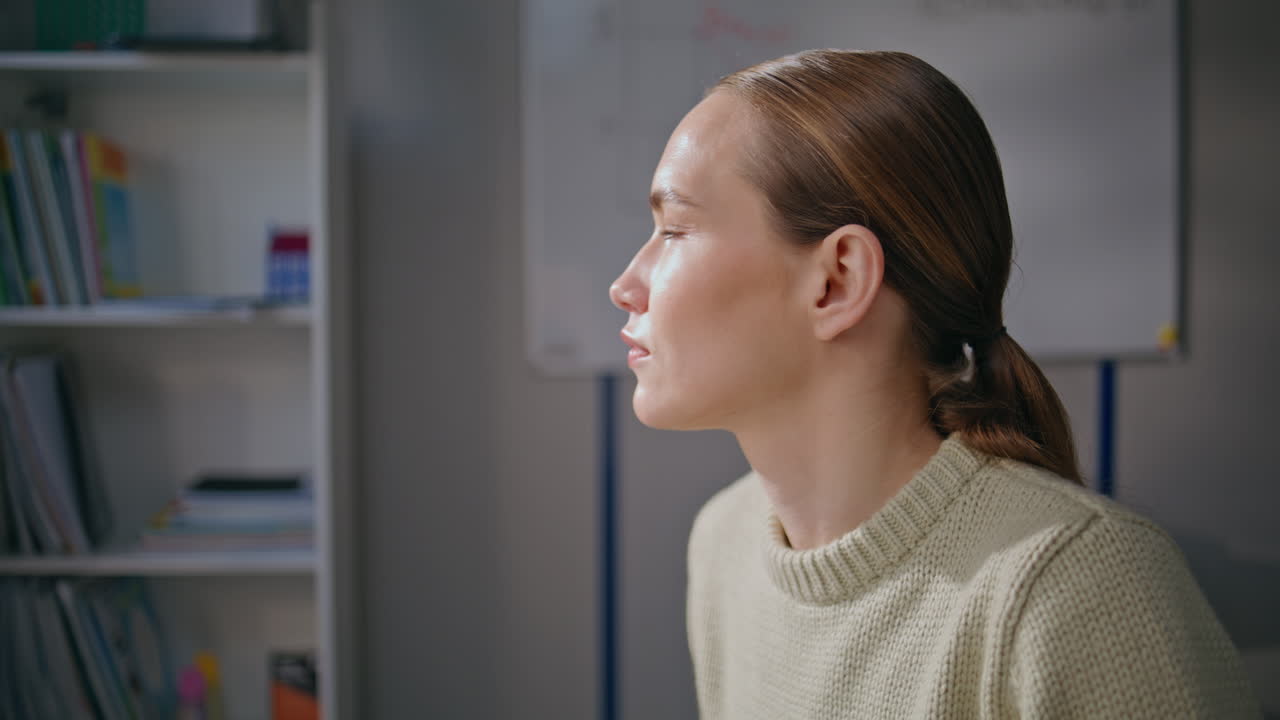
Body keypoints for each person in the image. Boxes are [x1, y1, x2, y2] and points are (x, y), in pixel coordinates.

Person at [608, 50, 1258, 719]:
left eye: (674, 229)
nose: (625, 285)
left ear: (837, 280)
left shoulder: (1080, 584)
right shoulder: (725, 542)